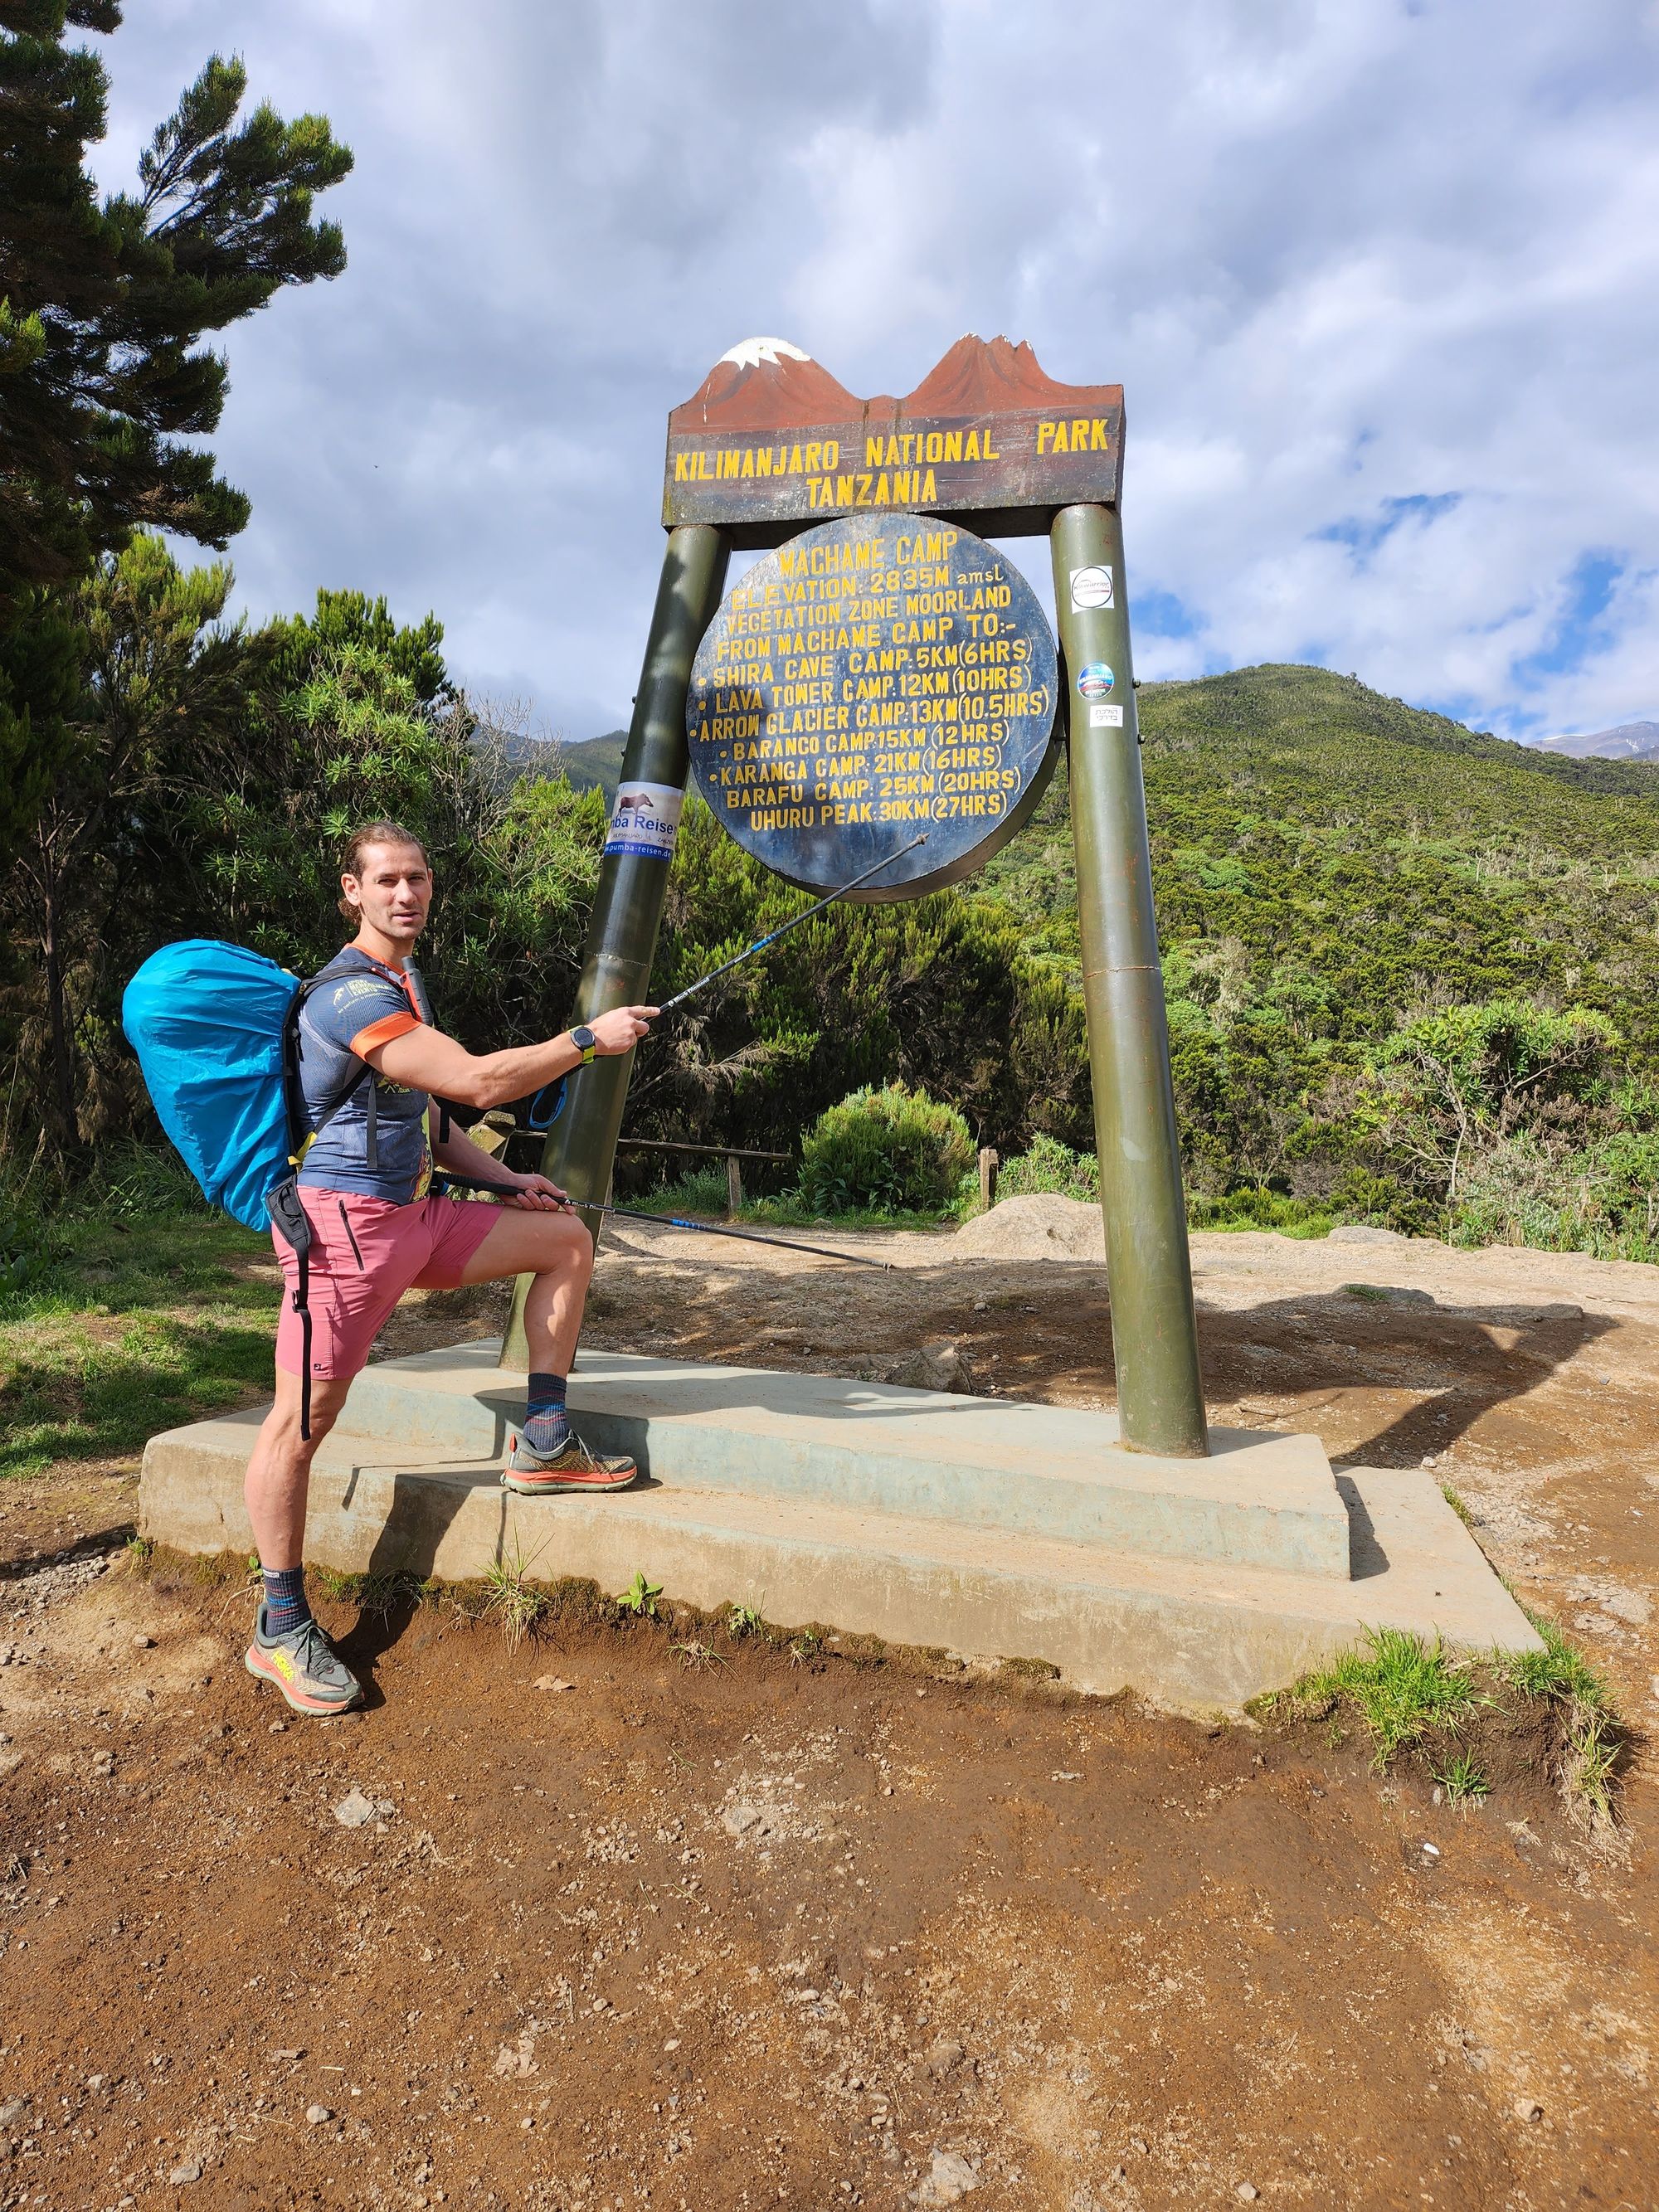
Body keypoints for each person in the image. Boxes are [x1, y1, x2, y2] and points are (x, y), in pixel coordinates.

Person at [242, 818, 655, 1718]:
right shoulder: (346, 998)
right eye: (386, 879)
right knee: (300, 1426)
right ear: (350, 891)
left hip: (418, 1217)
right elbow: (476, 1081)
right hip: (343, 1235)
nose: (405, 894)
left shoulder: (406, 980)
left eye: (418, 878)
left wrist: (510, 1180)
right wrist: (589, 1038)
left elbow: (431, 1120)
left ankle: (542, 1441)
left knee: (564, 1241)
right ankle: (279, 1623)